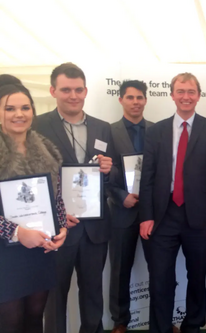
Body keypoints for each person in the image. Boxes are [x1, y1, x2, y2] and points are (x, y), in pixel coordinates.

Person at [139, 72, 206, 333]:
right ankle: (161, 329)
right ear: (172, 94)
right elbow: (148, 177)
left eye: (191, 92)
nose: (186, 97)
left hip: (199, 218)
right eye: (181, 91)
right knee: (160, 279)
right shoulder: (156, 131)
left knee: (197, 277)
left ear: (198, 95)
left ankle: (193, 326)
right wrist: (146, 215)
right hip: (163, 216)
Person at [33, 63, 115, 333]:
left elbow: (113, 176)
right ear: (53, 90)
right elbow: (32, 176)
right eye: (66, 90)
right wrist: (53, 213)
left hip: (95, 229)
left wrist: (109, 168)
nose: (73, 95)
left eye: (78, 90)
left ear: (86, 91)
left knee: (93, 293)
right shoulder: (38, 126)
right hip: (58, 227)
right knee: (54, 295)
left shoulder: (103, 128)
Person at [0, 82, 68, 333]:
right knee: (10, 321)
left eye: (25, 107)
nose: (19, 114)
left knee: (34, 317)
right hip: (5, 255)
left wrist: (61, 227)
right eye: (10, 108)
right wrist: (17, 233)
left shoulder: (47, 149)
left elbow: (57, 197)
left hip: (40, 250)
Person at [107, 80, 154, 333]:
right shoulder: (108, 131)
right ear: (121, 100)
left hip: (153, 212)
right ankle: (120, 321)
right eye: (130, 97)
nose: (135, 102)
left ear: (146, 100)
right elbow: (103, 173)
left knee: (160, 267)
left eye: (139, 97)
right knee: (119, 270)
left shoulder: (159, 130)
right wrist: (119, 196)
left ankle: (161, 317)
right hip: (122, 210)